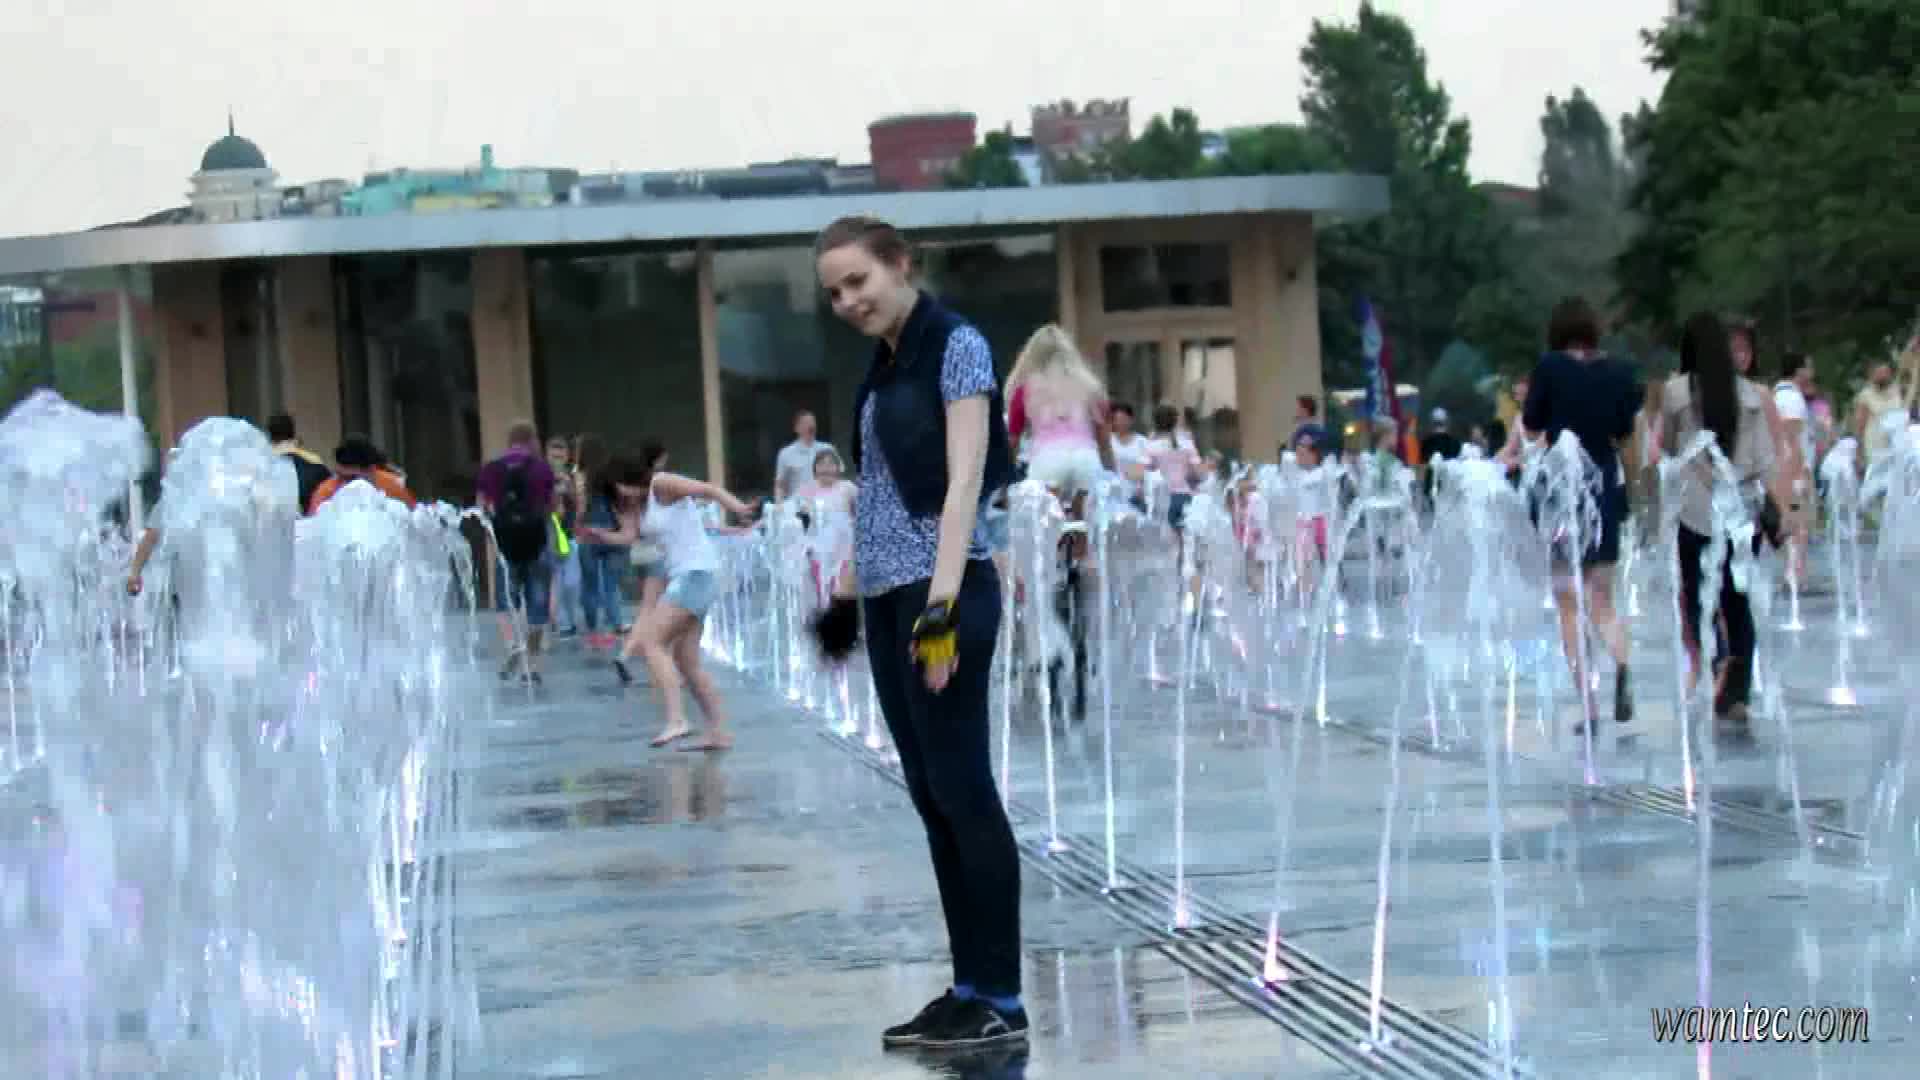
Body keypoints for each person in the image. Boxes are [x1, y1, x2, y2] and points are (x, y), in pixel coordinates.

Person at [808, 213, 1026, 1050]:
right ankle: (967, 987)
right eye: (834, 292)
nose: (847, 301)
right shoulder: (886, 363)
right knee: (934, 798)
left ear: (900, 264)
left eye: (857, 281)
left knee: (965, 792)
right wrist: (845, 594)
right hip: (890, 597)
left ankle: (1002, 1000)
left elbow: (965, 482)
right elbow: (880, 495)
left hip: (945, 596)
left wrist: (939, 612)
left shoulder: (955, 345)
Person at [1659, 312, 1800, 735]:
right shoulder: (1753, 396)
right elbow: (1766, 461)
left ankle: (1717, 660)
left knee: (1696, 595)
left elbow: (1668, 447)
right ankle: (1736, 691)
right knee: (1738, 601)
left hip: (1695, 510)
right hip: (1741, 511)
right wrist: (1785, 509)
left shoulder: (1676, 391)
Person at [1522, 297, 1640, 733]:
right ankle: (1622, 659)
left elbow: (1532, 425)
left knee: (1568, 601)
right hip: (1604, 485)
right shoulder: (1619, 372)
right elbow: (1625, 432)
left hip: (1563, 489)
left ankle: (1589, 708)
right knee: (1601, 597)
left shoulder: (1550, 367)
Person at [579, 455, 752, 750]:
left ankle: (677, 720)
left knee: (652, 641)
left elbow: (708, 489)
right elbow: (629, 537)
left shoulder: (662, 484)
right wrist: (599, 536)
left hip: (697, 573)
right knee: (687, 662)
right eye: (615, 492)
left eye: (621, 487)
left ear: (631, 477)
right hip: (686, 577)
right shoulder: (633, 504)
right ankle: (718, 733)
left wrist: (738, 508)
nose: (622, 495)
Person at [477, 420, 557, 684]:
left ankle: (513, 643)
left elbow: (482, 507)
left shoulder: (491, 468)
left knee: (505, 601)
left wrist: (497, 528)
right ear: (532, 439)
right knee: (538, 604)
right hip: (536, 542)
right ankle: (531, 666)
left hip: (505, 543)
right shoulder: (542, 468)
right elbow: (552, 506)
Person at [1005, 324, 1114, 499]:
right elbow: (1104, 440)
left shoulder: (1025, 390)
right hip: (1086, 458)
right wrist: (1112, 472)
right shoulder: (1089, 386)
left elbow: (1013, 441)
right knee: (1088, 515)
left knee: (1044, 515)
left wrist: (1004, 484)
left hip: (1047, 459)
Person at [307, 434, 417, 513]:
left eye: (351, 478)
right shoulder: (325, 493)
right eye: (339, 476)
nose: (344, 484)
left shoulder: (393, 488)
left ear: (372, 470)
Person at [267, 412, 332, 516]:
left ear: (269, 435)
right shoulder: (314, 462)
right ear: (293, 433)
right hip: (308, 522)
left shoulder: (261, 465)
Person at [1852, 361, 1906, 472]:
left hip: (1896, 449)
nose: (1883, 376)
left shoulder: (1897, 393)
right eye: (1880, 372)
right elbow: (1859, 426)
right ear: (1872, 374)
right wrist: (1858, 454)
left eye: (1886, 372)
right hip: (1874, 450)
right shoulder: (1865, 396)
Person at [773, 409, 834, 501]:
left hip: (826, 503)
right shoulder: (786, 454)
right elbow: (780, 485)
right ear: (796, 428)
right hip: (798, 505)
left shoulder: (827, 449)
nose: (811, 426)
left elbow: (838, 479)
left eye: (813, 422)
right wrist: (779, 503)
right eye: (806, 423)